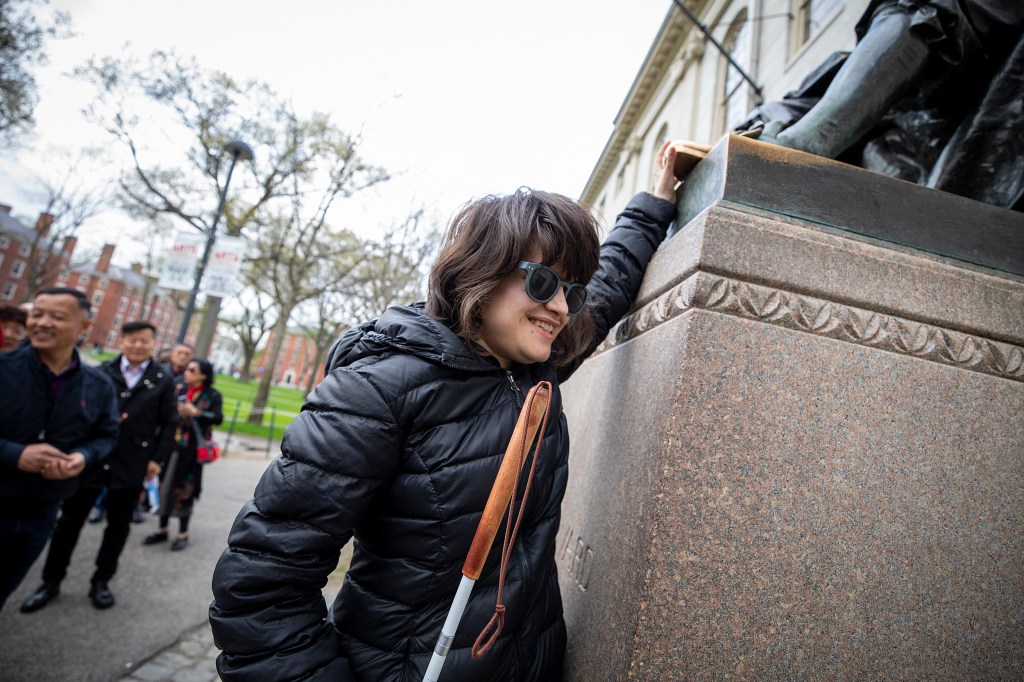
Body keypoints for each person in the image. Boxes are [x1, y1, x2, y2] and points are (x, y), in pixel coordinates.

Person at [208, 142, 683, 680]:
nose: (559, 306)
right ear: (483, 270)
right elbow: (262, 588)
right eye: (543, 281)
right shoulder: (374, 392)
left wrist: (657, 198)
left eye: (567, 293)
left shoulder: (534, 371)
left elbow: (610, 283)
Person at [752, 0, 1024, 208]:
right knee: (767, 117)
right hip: (905, 97)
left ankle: (809, 141)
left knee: (924, 8)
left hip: (955, 73)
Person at [20, 320, 178, 612]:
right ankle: (50, 581)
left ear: (153, 343)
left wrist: (157, 459)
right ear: (122, 342)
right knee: (69, 523)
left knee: (118, 526)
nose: (138, 346)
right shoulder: (101, 372)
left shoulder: (162, 379)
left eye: (144, 341)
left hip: (133, 462)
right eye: (132, 340)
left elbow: (170, 422)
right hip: (92, 458)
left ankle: (101, 581)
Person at [0, 287, 119, 611]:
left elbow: (107, 436)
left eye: (57, 316)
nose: (42, 323)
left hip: (42, 512)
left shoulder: (98, 385)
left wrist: (82, 457)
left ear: (83, 328)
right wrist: (15, 455)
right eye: (37, 314)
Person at [143, 358, 222, 551]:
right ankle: (161, 529)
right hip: (170, 447)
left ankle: (182, 533)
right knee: (165, 486)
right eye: (187, 369)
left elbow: (218, 418)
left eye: (192, 370)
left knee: (186, 490)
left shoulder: (212, 395)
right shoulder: (178, 388)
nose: (187, 372)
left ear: (203, 375)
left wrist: (196, 413)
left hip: (191, 452)